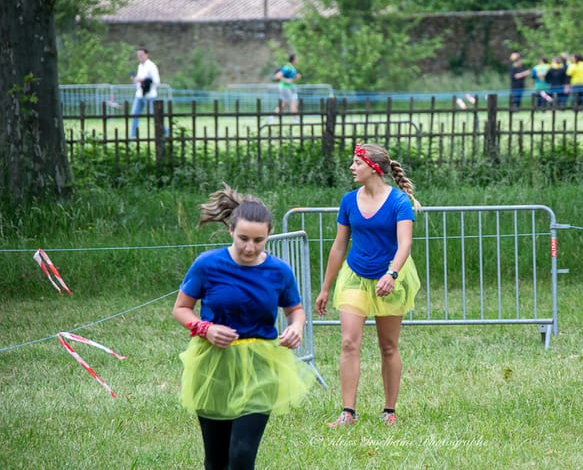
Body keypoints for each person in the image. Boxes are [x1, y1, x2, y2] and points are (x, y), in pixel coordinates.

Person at [173, 184, 315, 470]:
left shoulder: (279, 271)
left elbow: (295, 311)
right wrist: (205, 328)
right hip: (213, 364)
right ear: (230, 231)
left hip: (261, 366)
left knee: (241, 455)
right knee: (216, 460)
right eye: (243, 238)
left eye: (258, 240)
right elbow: (181, 309)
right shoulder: (207, 265)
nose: (250, 247)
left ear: (268, 237)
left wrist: (296, 328)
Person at [315, 142, 422, 427]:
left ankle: (389, 411)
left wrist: (392, 274)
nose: (352, 167)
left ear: (373, 168)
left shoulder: (399, 201)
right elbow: (339, 247)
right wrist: (325, 287)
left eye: (357, 163)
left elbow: (405, 244)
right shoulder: (348, 201)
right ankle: (347, 413)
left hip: (390, 278)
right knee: (349, 343)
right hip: (354, 276)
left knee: (388, 346)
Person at [129, 47, 161, 138]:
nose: (140, 57)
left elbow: (157, 81)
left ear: (146, 55)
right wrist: (136, 80)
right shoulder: (140, 66)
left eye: (141, 55)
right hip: (139, 94)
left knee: (154, 116)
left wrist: (144, 81)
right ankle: (133, 135)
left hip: (150, 94)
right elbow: (139, 81)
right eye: (138, 55)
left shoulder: (151, 66)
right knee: (134, 114)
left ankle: (163, 132)